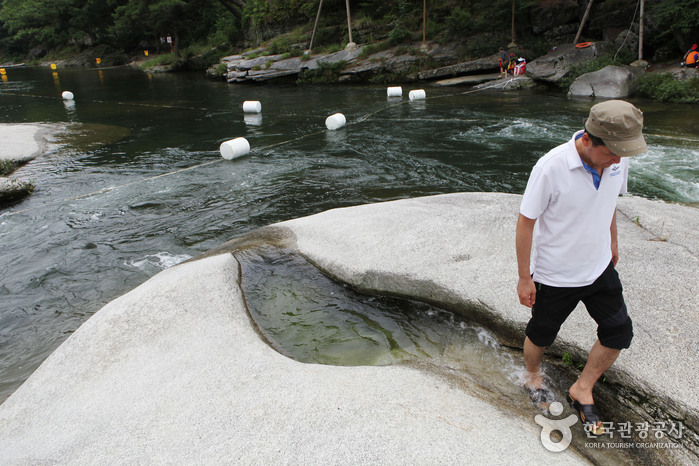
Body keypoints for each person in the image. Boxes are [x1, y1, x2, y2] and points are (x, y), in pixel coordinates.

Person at [516, 100, 647, 436]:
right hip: (556, 273)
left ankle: (582, 387)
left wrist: (613, 242)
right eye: (613, 152)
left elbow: (611, 199)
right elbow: (526, 222)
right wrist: (524, 277)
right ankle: (532, 374)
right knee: (543, 331)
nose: (619, 159)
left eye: (623, 152)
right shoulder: (551, 167)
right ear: (589, 141)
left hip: (599, 267)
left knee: (619, 332)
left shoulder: (619, 158)